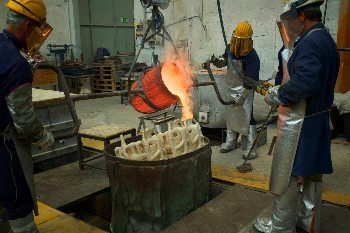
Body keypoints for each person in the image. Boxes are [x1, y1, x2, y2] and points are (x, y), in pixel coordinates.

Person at [254, 0, 340, 232]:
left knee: (288, 174)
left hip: (302, 120)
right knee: (312, 175)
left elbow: (306, 81)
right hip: (319, 117)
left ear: (302, 16)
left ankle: (281, 226)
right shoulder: (326, 39)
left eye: (293, 20)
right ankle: (307, 222)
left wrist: (279, 94)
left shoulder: (310, 42)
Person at [0, 0, 54, 232]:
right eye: (37, 30)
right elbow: (23, 122)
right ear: (27, 27)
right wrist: (43, 137)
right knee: (16, 196)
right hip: (4, 145)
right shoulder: (15, 63)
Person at [211, 21, 261, 160]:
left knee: (247, 117)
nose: (237, 44)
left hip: (245, 90)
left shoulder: (252, 57)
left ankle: (251, 148)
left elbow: (251, 80)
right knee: (230, 115)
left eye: (240, 41)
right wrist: (217, 61)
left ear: (247, 41)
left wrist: (241, 97)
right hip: (230, 87)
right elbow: (225, 61)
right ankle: (230, 142)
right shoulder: (229, 48)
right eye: (236, 40)